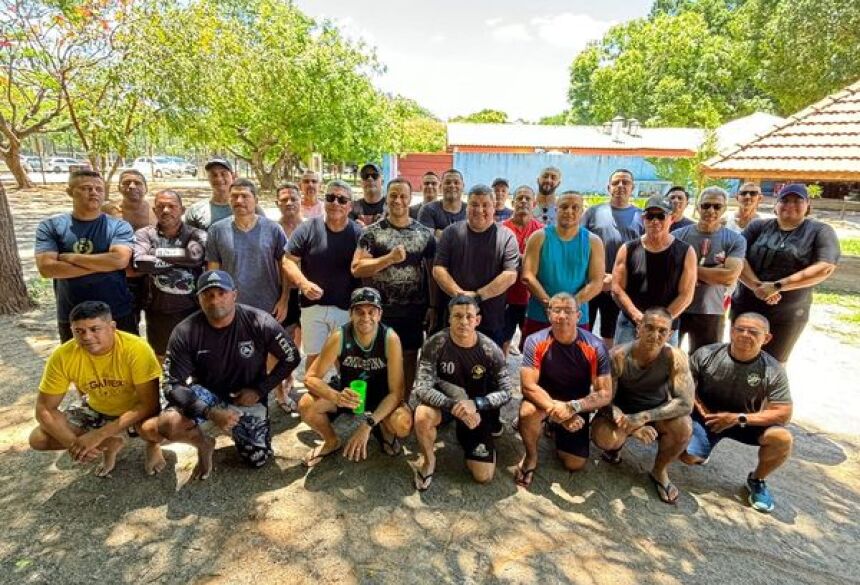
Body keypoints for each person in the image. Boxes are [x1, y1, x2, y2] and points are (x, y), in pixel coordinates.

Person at [155, 270, 300, 478]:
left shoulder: (259, 321)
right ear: (199, 299)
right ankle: (204, 444)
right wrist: (210, 412)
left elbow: (291, 357)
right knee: (168, 423)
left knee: (257, 459)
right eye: (208, 294)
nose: (215, 300)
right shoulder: (185, 331)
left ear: (235, 295)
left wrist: (260, 390)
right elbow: (171, 384)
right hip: (208, 395)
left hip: (249, 397)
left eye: (221, 293)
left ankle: (240, 429)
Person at [28, 301, 163, 477]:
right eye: (79, 331)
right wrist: (73, 443)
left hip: (137, 410)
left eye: (94, 329)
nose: (87, 337)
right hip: (97, 408)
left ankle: (153, 444)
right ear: (72, 331)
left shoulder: (136, 348)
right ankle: (109, 445)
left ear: (112, 327)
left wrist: (98, 435)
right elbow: (44, 409)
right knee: (38, 439)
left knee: (156, 428)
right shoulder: (63, 356)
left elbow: (149, 404)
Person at [681, 312, 793, 513]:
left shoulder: (773, 369)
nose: (744, 334)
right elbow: (685, 387)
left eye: (753, 332)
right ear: (731, 332)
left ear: (766, 338)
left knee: (782, 438)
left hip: (744, 421)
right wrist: (703, 410)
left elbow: (783, 413)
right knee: (689, 457)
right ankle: (702, 450)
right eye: (739, 329)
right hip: (708, 418)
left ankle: (757, 480)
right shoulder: (706, 354)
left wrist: (738, 418)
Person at [298, 287, 413, 466]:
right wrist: (335, 396)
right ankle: (331, 441)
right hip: (348, 394)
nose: (365, 317)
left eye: (371, 312)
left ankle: (380, 426)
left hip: (380, 397)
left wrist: (367, 425)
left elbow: (397, 392)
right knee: (306, 405)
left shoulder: (390, 338)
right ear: (350, 314)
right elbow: (310, 378)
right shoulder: (339, 336)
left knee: (403, 424)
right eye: (359, 312)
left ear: (380, 314)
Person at [592, 307, 694, 505]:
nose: (655, 335)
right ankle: (616, 447)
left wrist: (645, 417)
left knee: (684, 427)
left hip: (656, 413)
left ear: (670, 334)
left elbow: (685, 403)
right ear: (639, 328)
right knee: (605, 438)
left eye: (662, 331)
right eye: (649, 327)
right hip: (621, 412)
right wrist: (627, 422)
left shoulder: (676, 358)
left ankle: (659, 470)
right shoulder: (618, 356)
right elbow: (603, 399)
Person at [412, 295, 513, 490]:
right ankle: (429, 461)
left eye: (469, 316)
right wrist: (454, 406)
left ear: (478, 320)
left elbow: (507, 391)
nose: (463, 321)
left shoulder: (491, 350)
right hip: (447, 406)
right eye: (457, 316)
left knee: (483, 476)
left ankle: (478, 438)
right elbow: (421, 388)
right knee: (422, 415)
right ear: (449, 319)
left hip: (477, 408)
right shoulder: (435, 344)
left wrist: (477, 404)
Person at [731, 183, 840, 363]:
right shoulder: (757, 226)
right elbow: (737, 256)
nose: (790, 205)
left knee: (775, 362)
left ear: (808, 206)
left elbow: (825, 267)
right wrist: (758, 287)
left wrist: (777, 286)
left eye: (797, 200)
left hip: (788, 313)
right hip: (746, 306)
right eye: (785, 200)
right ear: (775, 205)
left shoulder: (820, 231)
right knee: (739, 355)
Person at [515, 294, 612, 488]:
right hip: (543, 400)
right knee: (527, 412)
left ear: (578, 315)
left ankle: (554, 427)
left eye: (568, 311)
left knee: (574, 463)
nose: (562, 316)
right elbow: (528, 386)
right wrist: (557, 411)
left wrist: (573, 407)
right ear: (549, 314)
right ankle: (531, 456)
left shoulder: (595, 346)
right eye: (556, 310)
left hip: (575, 404)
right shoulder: (535, 341)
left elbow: (605, 393)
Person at [352, 178, 436, 391]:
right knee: (378, 359)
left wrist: (433, 306)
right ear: (386, 199)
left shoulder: (424, 234)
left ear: (410, 199)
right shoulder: (371, 232)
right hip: (380, 311)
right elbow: (357, 268)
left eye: (403, 196)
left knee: (409, 358)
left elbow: (433, 274)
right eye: (393, 196)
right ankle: (380, 407)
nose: (398, 200)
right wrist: (388, 259)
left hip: (413, 310)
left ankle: (404, 405)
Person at [35, 169, 136, 341]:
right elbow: (47, 268)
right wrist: (103, 264)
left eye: (99, 189)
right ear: (70, 192)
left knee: (124, 363)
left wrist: (71, 257)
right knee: (78, 366)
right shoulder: (51, 226)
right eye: (86, 188)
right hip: (72, 314)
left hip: (116, 311)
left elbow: (119, 260)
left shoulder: (119, 226)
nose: (94, 193)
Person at [284, 179, 362, 371]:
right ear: (324, 201)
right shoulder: (307, 228)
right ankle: (312, 397)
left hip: (346, 307)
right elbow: (288, 260)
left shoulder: (359, 233)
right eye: (331, 197)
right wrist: (303, 284)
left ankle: (346, 398)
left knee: (346, 358)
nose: (336, 203)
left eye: (342, 200)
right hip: (313, 306)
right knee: (314, 357)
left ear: (350, 206)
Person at [433, 184, 519, 347]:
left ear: (494, 207)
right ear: (467, 208)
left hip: (491, 319)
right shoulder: (451, 233)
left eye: (485, 205)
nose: (479, 210)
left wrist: (478, 296)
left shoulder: (506, 237)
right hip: (456, 317)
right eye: (474, 205)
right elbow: (438, 269)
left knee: (489, 368)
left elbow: (510, 275)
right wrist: (460, 295)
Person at [612, 195, 697, 346]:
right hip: (630, 324)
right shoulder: (628, 249)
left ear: (672, 219)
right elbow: (617, 288)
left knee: (663, 369)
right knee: (622, 367)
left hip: (666, 326)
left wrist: (660, 321)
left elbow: (686, 294)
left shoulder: (686, 251)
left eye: (661, 216)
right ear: (643, 219)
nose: (655, 221)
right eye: (650, 216)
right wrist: (638, 317)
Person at [132, 189, 207, 358]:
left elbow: (194, 256)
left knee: (196, 357)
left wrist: (155, 252)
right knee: (162, 358)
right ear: (154, 210)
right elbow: (140, 262)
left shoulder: (196, 234)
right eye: (161, 206)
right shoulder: (144, 234)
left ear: (182, 210)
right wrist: (179, 257)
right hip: (158, 311)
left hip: (192, 309)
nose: (166, 210)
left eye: (172, 206)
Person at [522, 190, 604, 340]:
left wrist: (569, 307)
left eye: (575, 207)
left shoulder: (593, 242)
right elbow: (528, 275)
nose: (569, 211)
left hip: (576, 316)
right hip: (540, 312)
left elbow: (597, 282)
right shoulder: (539, 237)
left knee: (574, 360)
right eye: (564, 207)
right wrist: (549, 304)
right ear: (556, 209)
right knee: (535, 358)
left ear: (582, 211)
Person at [674, 187, 746, 352]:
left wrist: (687, 268)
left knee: (705, 361)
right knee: (669, 357)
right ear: (698, 207)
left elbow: (729, 276)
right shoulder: (678, 235)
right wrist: (715, 271)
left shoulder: (735, 240)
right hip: (677, 306)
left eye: (717, 206)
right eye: (706, 205)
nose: (711, 210)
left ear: (724, 209)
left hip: (712, 309)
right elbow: (670, 270)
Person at [206, 178, 289, 322]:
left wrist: (284, 301)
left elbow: (285, 267)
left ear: (256, 200)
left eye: (245, 196)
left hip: (268, 308)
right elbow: (213, 273)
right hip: (231, 309)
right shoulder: (216, 230)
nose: (239, 200)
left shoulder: (273, 229)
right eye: (234, 196)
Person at [582, 169, 644, 346]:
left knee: (611, 333)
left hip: (623, 285)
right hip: (592, 282)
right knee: (584, 328)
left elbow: (644, 252)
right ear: (608, 187)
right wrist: (597, 277)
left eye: (626, 182)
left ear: (633, 188)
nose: (621, 186)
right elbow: (580, 245)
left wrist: (616, 279)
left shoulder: (642, 216)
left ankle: (608, 368)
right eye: (616, 182)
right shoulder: (593, 213)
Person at [500, 185, 543, 355]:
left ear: (534, 204)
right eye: (519, 198)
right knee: (502, 342)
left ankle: (529, 381)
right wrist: (528, 258)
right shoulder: (501, 229)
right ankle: (500, 379)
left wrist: (516, 258)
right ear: (513, 202)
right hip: (506, 297)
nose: (523, 201)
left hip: (532, 298)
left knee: (531, 346)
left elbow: (542, 262)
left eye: (528, 198)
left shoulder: (541, 231)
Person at [274, 182, 304, 412]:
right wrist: (284, 297)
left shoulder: (310, 227)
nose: (289, 203)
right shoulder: (274, 230)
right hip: (282, 294)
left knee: (297, 342)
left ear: (300, 199)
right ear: (277, 204)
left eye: (293, 198)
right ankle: (280, 392)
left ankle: (290, 378)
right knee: (280, 345)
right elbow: (283, 266)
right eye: (284, 199)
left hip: (307, 294)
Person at [184, 158, 264, 230]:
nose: (219, 178)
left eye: (223, 174)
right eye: (214, 175)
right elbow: (189, 239)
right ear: (208, 178)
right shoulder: (195, 211)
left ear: (233, 176)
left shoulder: (250, 207)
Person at [418, 169, 466, 237]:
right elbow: (427, 239)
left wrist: (439, 233)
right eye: (448, 182)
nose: (452, 185)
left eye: (456, 182)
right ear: (440, 187)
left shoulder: (471, 210)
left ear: (463, 186)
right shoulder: (428, 210)